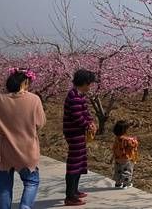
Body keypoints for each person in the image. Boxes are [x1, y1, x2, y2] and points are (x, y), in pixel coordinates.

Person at [0, 68, 46, 209]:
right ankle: (25, 207)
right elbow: (40, 124)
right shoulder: (34, 99)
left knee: (4, 187)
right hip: (26, 149)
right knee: (31, 182)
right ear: (24, 82)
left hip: (2, 151)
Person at [63, 69, 97, 206]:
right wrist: (87, 125)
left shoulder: (79, 95)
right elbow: (77, 117)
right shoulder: (74, 97)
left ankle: (74, 191)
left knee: (79, 161)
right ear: (84, 83)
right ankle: (70, 196)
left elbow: (85, 113)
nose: (90, 86)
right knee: (74, 163)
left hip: (78, 133)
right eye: (89, 84)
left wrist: (91, 121)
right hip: (74, 133)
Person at [111, 120, 139, 189]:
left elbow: (114, 147)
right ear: (125, 130)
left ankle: (118, 183)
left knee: (118, 170)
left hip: (117, 157)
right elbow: (133, 145)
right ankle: (126, 184)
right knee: (127, 171)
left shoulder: (117, 138)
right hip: (126, 158)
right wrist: (135, 140)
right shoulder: (127, 140)